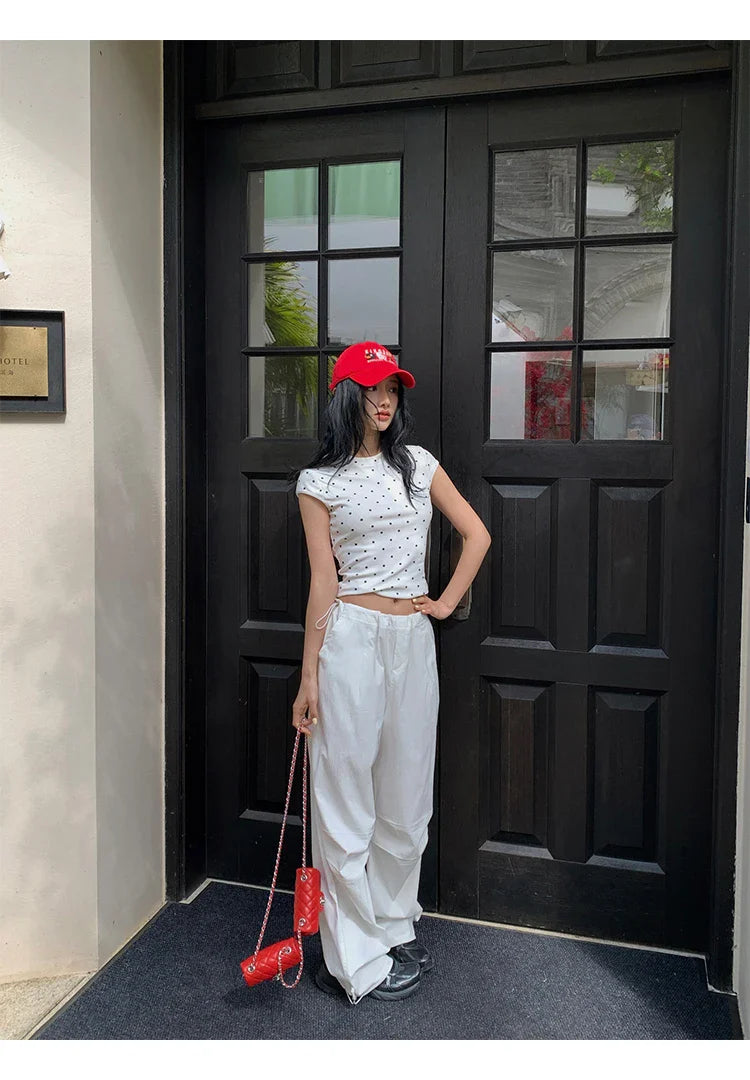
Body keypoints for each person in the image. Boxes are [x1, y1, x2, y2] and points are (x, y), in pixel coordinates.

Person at [292, 341, 491, 1005]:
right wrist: (309, 677)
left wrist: (445, 602)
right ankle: (354, 957)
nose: (384, 401)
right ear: (345, 394)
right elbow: (323, 580)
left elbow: (477, 534)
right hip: (350, 637)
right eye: (372, 388)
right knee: (345, 796)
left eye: (393, 389)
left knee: (406, 798)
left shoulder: (419, 465)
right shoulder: (319, 482)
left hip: (412, 638)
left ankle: (393, 922)